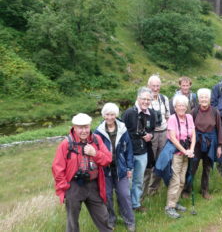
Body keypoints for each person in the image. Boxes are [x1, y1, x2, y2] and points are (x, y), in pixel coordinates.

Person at [52, 113, 112, 232]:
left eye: (86, 127)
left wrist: (95, 153)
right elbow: (57, 168)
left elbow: (108, 159)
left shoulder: (96, 139)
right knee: (72, 220)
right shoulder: (66, 144)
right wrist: (65, 188)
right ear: (74, 127)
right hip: (74, 186)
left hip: (93, 184)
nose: (84, 130)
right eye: (80, 127)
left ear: (90, 126)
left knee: (103, 215)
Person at [94, 103, 135, 231]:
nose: (110, 117)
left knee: (124, 195)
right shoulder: (98, 132)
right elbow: (96, 152)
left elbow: (129, 150)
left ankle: (129, 220)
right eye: (107, 114)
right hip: (104, 170)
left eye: (112, 114)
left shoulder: (123, 129)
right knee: (107, 196)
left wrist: (129, 168)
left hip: (121, 168)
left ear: (116, 115)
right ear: (103, 115)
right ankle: (111, 220)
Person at [182, 88, 222, 200]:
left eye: (206, 97)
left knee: (207, 168)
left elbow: (219, 129)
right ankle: (187, 189)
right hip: (196, 143)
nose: (204, 99)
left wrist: (219, 146)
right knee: (192, 167)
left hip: (211, 143)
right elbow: (189, 128)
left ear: (209, 99)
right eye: (201, 97)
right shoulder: (194, 112)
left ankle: (205, 190)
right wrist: (189, 145)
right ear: (198, 100)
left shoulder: (215, 112)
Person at [122, 87, 156, 213]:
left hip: (143, 152)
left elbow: (152, 128)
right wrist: (140, 135)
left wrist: (150, 135)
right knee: (127, 182)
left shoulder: (151, 114)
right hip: (129, 152)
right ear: (138, 98)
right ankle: (125, 206)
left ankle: (136, 204)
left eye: (148, 99)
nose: (146, 101)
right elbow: (123, 132)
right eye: (144, 99)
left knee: (138, 180)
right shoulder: (129, 113)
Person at [164, 95, 196, 219]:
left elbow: (193, 134)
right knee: (175, 180)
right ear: (175, 107)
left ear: (186, 106)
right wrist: (185, 151)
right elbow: (173, 138)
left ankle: (175, 202)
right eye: (179, 106)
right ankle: (169, 207)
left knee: (182, 180)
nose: (181, 108)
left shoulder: (189, 117)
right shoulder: (172, 119)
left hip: (187, 153)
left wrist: (191, 149)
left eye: (183, 105)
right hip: (176, 154)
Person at [145, 75, 171, 196]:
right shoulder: (144, 99)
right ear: (148, 86)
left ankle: (154, 190)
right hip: (150, 135)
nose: (155, 89)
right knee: (149, 163)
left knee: (161, 162)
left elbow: (168, 116)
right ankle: (144, 192)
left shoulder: (164, 98)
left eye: (157, 86)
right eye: (153, 86)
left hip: (163, 133)